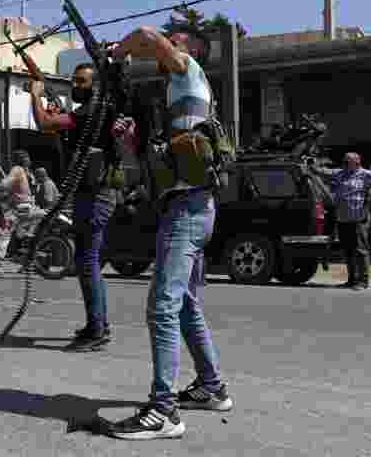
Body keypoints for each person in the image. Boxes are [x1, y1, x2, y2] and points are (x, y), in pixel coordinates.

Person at [84, 26, 231, 441]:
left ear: (193, 50)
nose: (170, 44)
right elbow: (149, 168)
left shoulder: (189, 70)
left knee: (162, 306)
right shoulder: (175, 102)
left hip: (187, 210)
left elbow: (147, 36)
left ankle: (163, 410)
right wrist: (131, 143)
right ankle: (211, 386)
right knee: (184, 305)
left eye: (178, 40)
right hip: (188, 206)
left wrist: (116, 51)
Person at [29, 61, 129, 352]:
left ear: (97, 86)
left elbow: (44, 124)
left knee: (88, 263)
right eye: (75, 81)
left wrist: (35, 95)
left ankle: (97, 329)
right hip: (92, 194)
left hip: (96, 196)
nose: (76, 86)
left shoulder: (94, 114)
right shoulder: (91, 114)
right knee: (88, 262)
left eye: (83, 81)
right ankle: (96, 324)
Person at [328, 153, 371, 290]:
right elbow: (324, 173)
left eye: (347, 162)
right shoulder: (339, 173)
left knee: (361, 250)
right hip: (343, 219)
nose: (344, 164)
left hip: (359, 219)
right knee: (347, 250)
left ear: (357, 162)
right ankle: (352, 279)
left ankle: (363, 280)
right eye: (344, 161)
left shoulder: (366, 175)